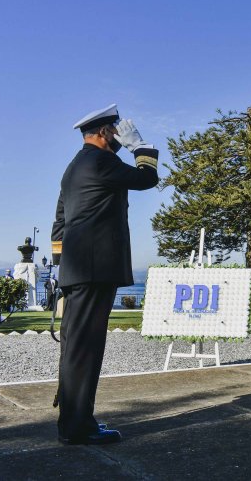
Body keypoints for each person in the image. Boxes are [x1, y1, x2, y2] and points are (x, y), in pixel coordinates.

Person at [51, 104, 159, 445]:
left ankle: (72, 421)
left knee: (75, 346)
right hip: (96, 269)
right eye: (115, 130)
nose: (118, 135)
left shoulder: (73, 168)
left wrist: (62, 269)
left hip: (77, 270)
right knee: (86, 349)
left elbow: (58, 227)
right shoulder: (102, 161)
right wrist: (139, 146)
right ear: (102, 134)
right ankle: (78, 427)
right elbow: (146, 179)